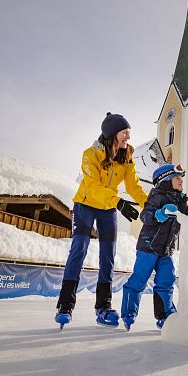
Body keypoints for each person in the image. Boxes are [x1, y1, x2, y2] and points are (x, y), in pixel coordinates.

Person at [55, 112, 148, 330]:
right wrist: (119, 202)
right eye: (125, 132)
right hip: (86, 205)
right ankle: (65, 305)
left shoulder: (126, 156)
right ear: (112, 133)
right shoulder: (90, 154)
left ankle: (103, 307)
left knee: (108, 255)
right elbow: (93, 187)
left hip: (107, 208)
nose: (128, 137)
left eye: (128, 133)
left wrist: (149, 204)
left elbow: (134, 186)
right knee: (79, 248)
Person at [120, 164, 188, 331]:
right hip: (148, 246)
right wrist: (159, 214)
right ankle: (128, 313)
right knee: (139, 280)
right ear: (165, 180)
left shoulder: (181, 201)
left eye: (181, 179)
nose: (181, 182)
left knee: (166, 281)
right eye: (177, 178)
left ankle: (166, 316)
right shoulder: (157, 196)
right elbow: (145, 215)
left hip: (166, 250)